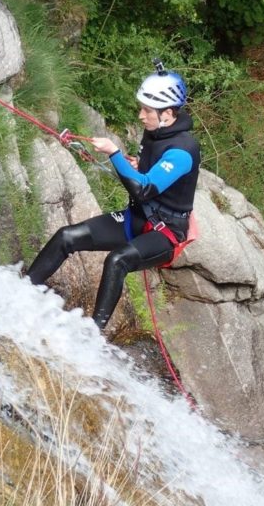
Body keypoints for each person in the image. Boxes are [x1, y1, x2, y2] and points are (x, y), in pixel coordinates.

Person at [27, 63, 200, 330]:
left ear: (167, 113)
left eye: (147, 110)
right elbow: (148, 172)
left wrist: (114, 153)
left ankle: (93, 336)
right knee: (66, 237)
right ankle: (22, 292)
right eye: (141, 108)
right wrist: (135, 163)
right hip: (136, 218)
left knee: (117, 260)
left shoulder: (183, 150)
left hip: (164, 233)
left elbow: (144, 189)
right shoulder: (155, 131)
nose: (141, 115)